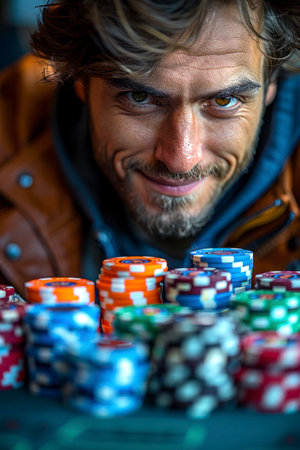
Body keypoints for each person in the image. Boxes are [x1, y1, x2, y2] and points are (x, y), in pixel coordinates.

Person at [0, 0, 299, 297]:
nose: (181, 159)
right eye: (139, 97)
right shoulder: (8, 131)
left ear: (271, 82)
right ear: (80, 79)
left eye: (224, 101)